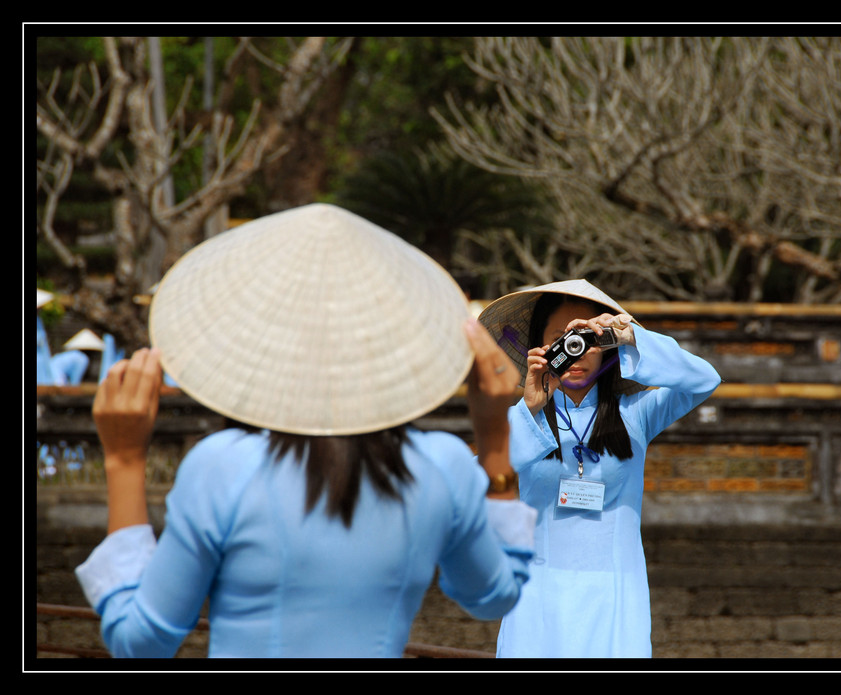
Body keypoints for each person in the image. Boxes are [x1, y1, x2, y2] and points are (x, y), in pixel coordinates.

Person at [74, 203, 536, 658]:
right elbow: (494, 596)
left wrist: (125, 461)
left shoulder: (222, 467)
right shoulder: (442, 465)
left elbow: (141, 642)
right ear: (391, 344)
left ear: (258, 345)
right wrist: (493, 436)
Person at [477, 279, 721, 658]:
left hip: (615, 598)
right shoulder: (521, 418)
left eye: (585, 338)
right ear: (539, 347)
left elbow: (705, 380)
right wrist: (530, 407)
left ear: (604, 347)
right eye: (561, 339)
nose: (575, 352)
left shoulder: (636, 414)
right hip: (536, 602)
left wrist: (630, 337)